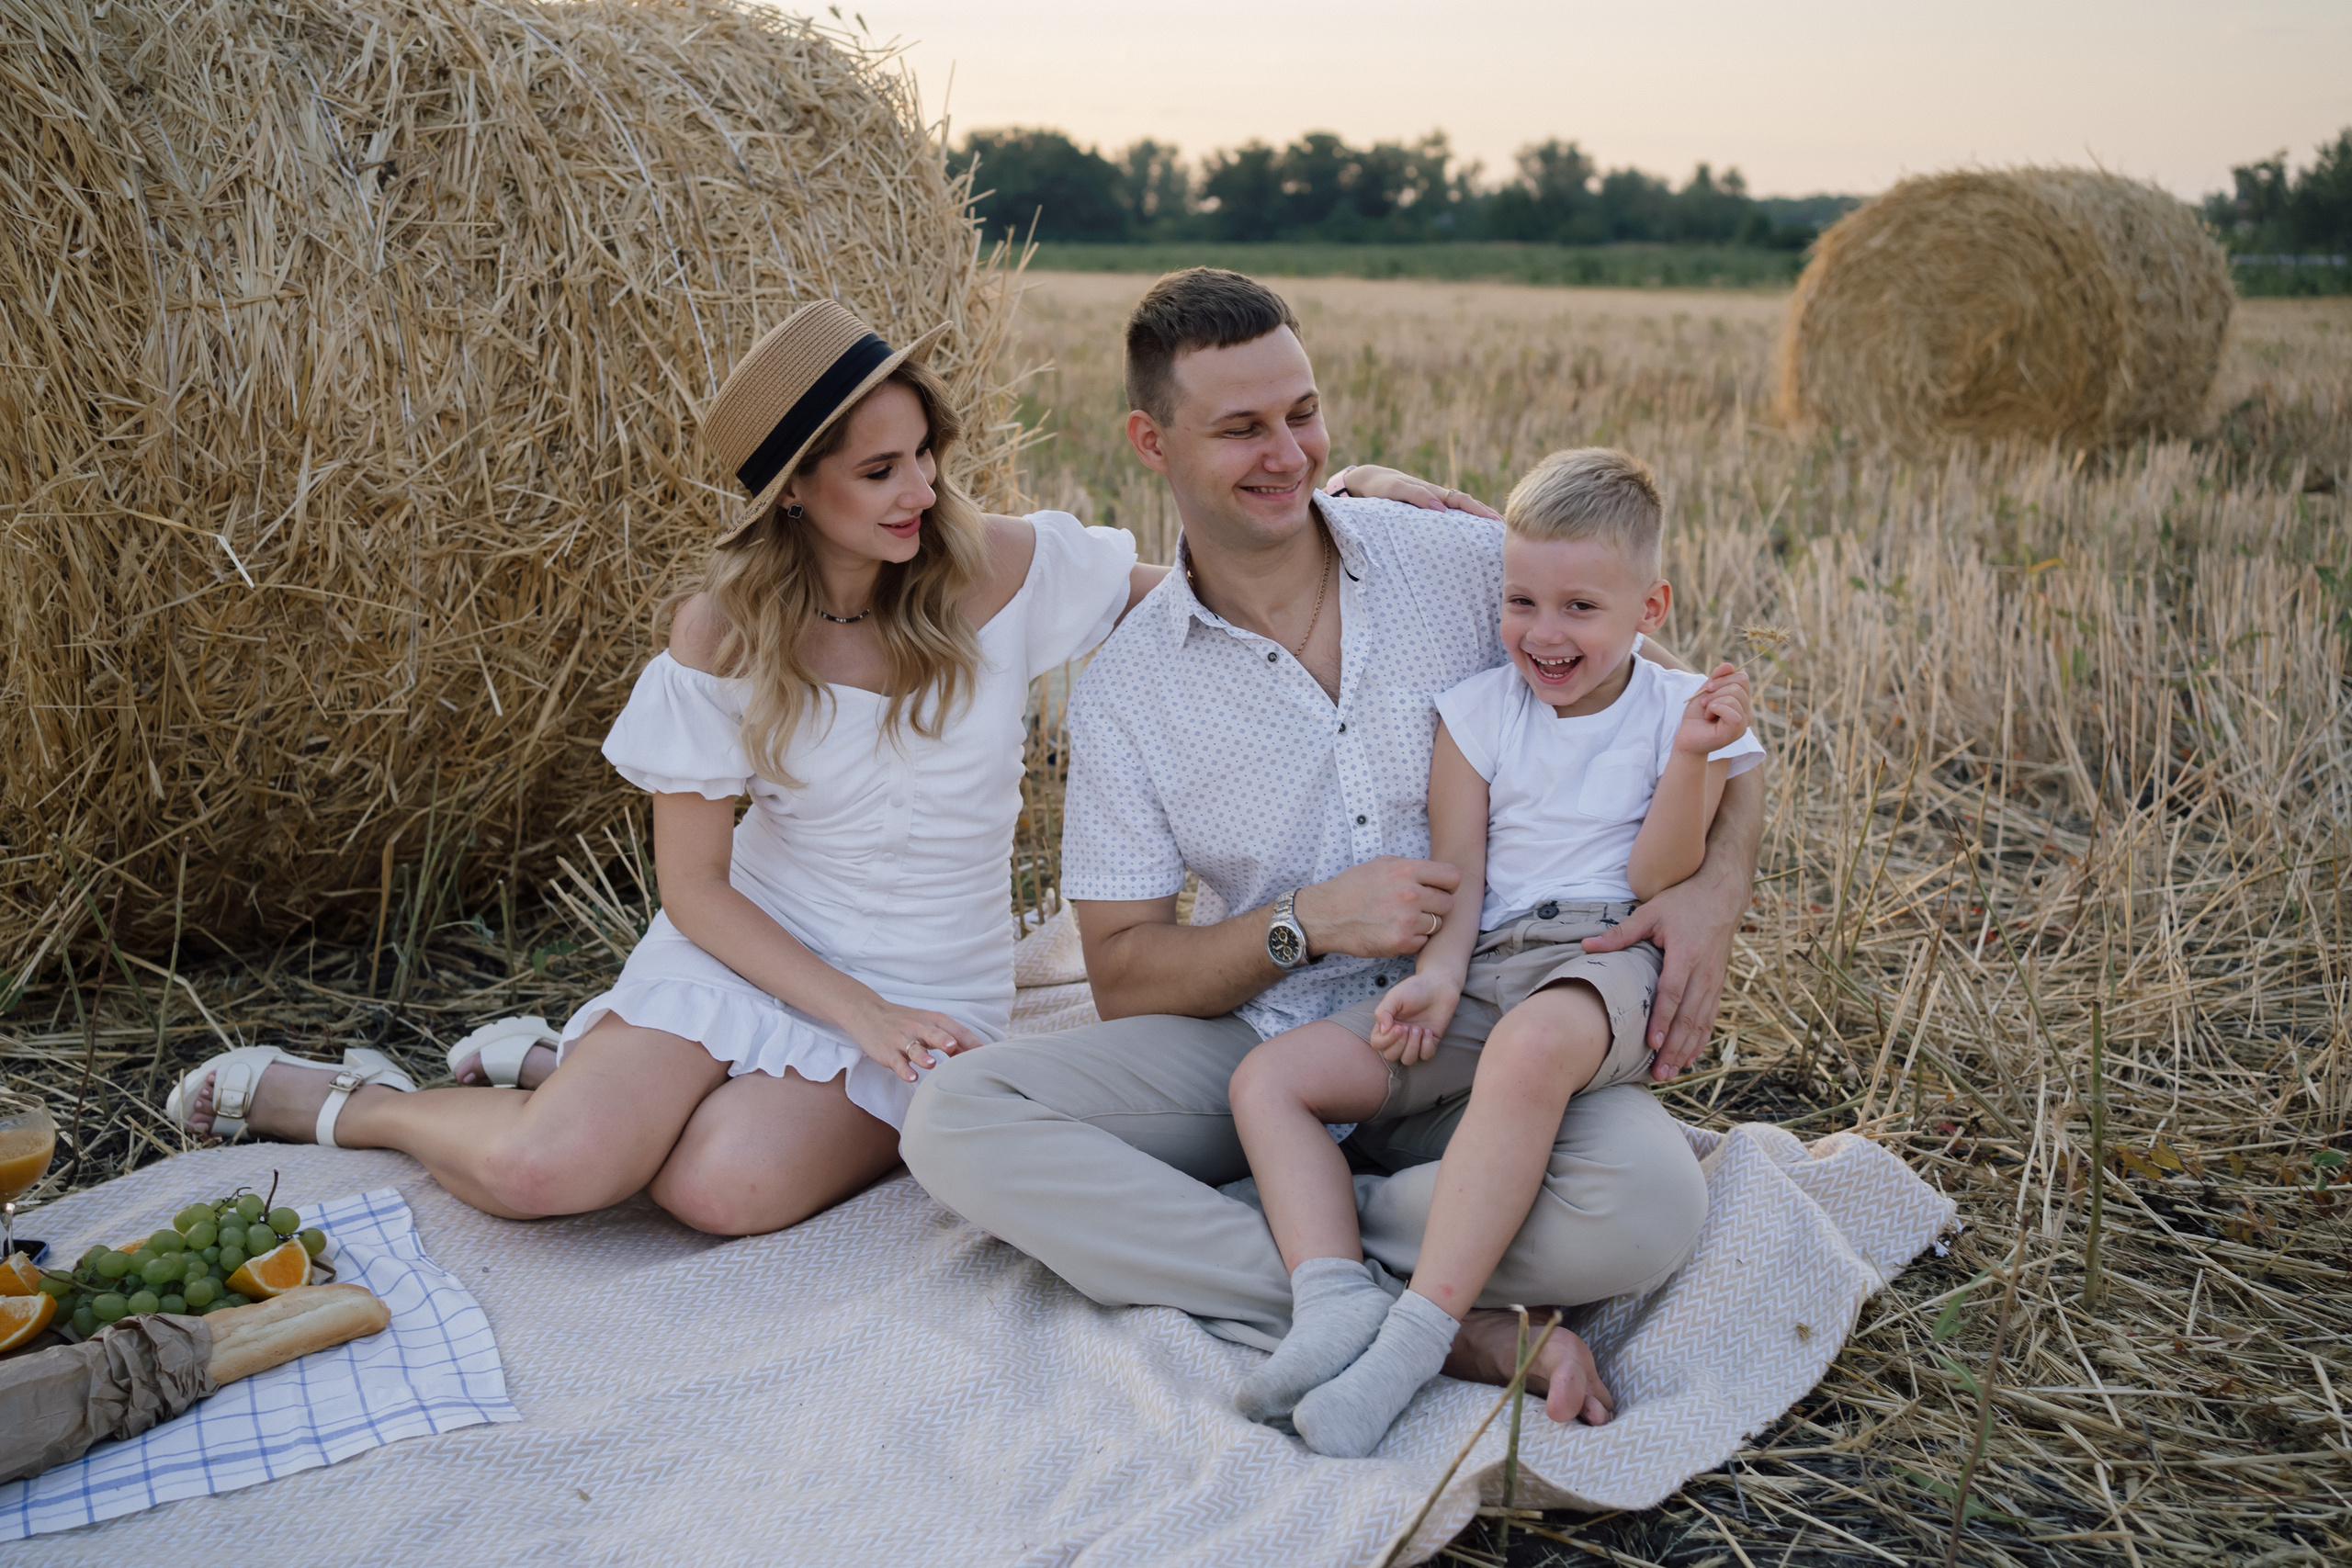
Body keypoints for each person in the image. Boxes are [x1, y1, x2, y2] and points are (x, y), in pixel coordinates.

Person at [161, 299, 1462, 1238]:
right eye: (878, 471)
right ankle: (357, 1103)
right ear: (795, 490)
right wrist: (852, 1014)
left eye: (926, 455)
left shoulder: (1003, 568)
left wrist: (1355, 492)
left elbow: (1201, 588)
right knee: (558, 1173)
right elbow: (699, 892)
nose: (921, 491)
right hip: (752, 952)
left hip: (930, 979)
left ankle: (572, 1061)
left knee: (719, 1190)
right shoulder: (722, 635)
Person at [900, 269, 1764, 1427]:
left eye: (1301, 413)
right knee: (956, 1121)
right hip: (1265, 1052)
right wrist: (1305, 921)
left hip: (1488, 1024)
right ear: (1150, 441)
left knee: (1648, 1209)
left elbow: (1690, 714)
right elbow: (1121, 975)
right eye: (1241, 428)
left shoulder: (1454, 563)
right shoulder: (1127, 691)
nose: (1288, 454)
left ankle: (1324, 1252)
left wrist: (1715, 888)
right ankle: (1415, 1313)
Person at [1227, 448, 1761, 1456]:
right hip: (1484, 961)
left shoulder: (1674, 712)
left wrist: (1691, 760)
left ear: (1650, 606)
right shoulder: (1476, 714)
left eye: (1579, 609)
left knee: (1526, 1050)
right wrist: (1434, 978)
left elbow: (1659, 878)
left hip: (1602, 954)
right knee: (1271, 1080)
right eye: (1521, 600)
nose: (1544, 633)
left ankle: (1415, 1341)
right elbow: (1458, 871)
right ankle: (1333, 1293)